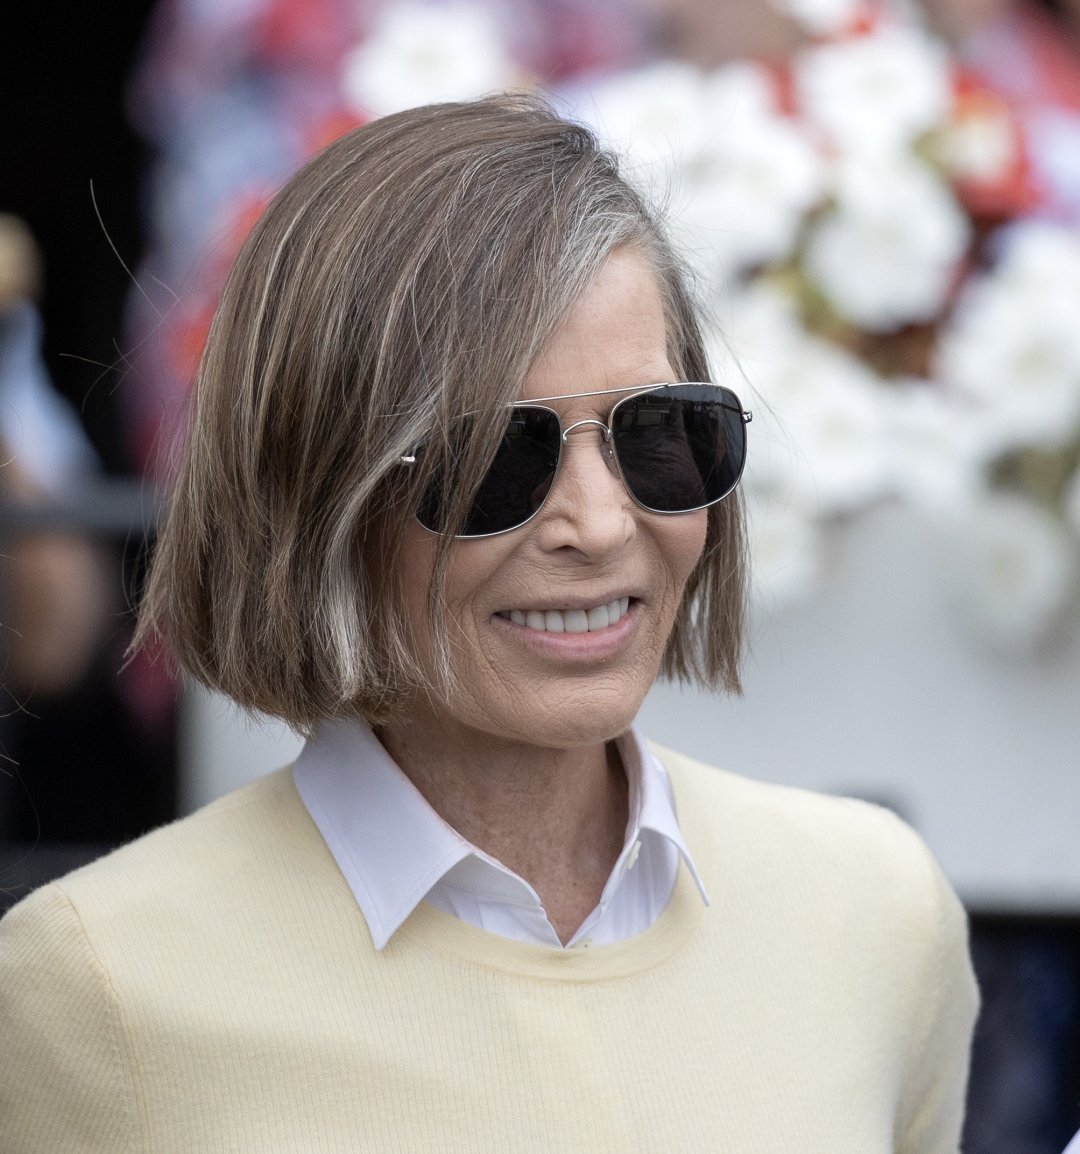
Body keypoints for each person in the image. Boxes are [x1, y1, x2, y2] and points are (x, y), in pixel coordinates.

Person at [0, 96, 977, 1152]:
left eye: (658, 433)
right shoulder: (95, 985)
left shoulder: (875, 910)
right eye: (496, 458)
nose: (601, 524)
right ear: (317, 491)